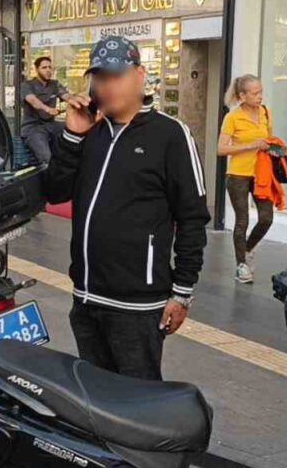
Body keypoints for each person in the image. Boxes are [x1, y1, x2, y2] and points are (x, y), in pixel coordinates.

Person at [44, 36, 210, 381]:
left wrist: (182, 293)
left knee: (139, 406)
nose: (107, 86)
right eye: (100, 78)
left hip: (137, 307)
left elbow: (192, 218)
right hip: (86, 298)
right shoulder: (88, 131)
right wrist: (72, 137)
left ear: (139, 74)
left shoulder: (171, 135)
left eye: (116, 75)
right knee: (95, 397)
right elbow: (55, 191)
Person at [219, 74, 274, 284]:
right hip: (238, 175)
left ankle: (247, 249)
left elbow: (269, 139)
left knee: (266, 218)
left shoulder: (266, 112)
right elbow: (221, 149)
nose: (260, 96)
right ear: (242, 95)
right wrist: (251, 146)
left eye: (261, 92)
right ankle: (241, 265)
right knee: (242, 221)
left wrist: (274, 148)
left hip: (260, 174)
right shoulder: (233, 117)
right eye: (255, 93)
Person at [20, 55, 72, 164]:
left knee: (73, 131)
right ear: (36, 69)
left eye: (50, 67)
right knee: (47, 158)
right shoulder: (27, 85)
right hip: (33, 128)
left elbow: (66, 96)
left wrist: (78, 100)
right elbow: (33, 101)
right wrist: (47, 109)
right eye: (44, 68)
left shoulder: (54, 84)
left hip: (51, 125)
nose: (48, 70)